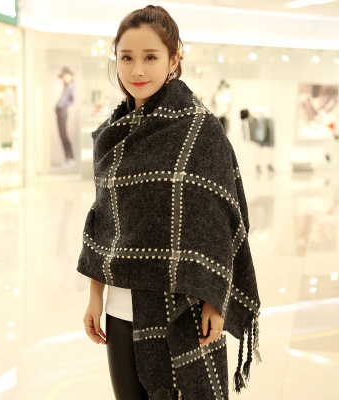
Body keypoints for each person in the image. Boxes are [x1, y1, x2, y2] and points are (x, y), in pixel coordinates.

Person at [77, 5, 261, 400]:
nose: (136, 70)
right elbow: (104, 222)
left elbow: (220, 222)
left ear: (173, 60)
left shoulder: (200, 129)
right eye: (126, 57)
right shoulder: (111, 135)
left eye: (150, 57)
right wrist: (95, 296)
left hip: (182, 311)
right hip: (120, 310)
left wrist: (216, 300)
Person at [55, 67, 76, 165]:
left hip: (62, 111)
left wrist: (62, 105)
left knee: (64, 135)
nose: (65, 78)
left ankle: (70, 157)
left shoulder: (71, 86)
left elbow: (71, 100)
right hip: (60, 110)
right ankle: (68, 158)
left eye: (66, 76)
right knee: (62, 135)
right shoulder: (67, 87)